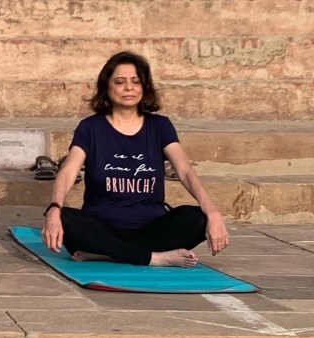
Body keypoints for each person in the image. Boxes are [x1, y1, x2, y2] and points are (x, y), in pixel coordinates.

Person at [42, 50, 229, 267]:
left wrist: (213, 213)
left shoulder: (160, 126)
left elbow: (185, 171)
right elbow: (67, 172)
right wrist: (55, 209)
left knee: (198, 218)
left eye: (136, 81)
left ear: (144, 87)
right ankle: (153, 258)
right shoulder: (90, 127)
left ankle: (110, 254)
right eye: (120, 82)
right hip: (102, 227)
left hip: (151, 230)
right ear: (106, 87)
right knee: (67, 219)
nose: (128, 88)